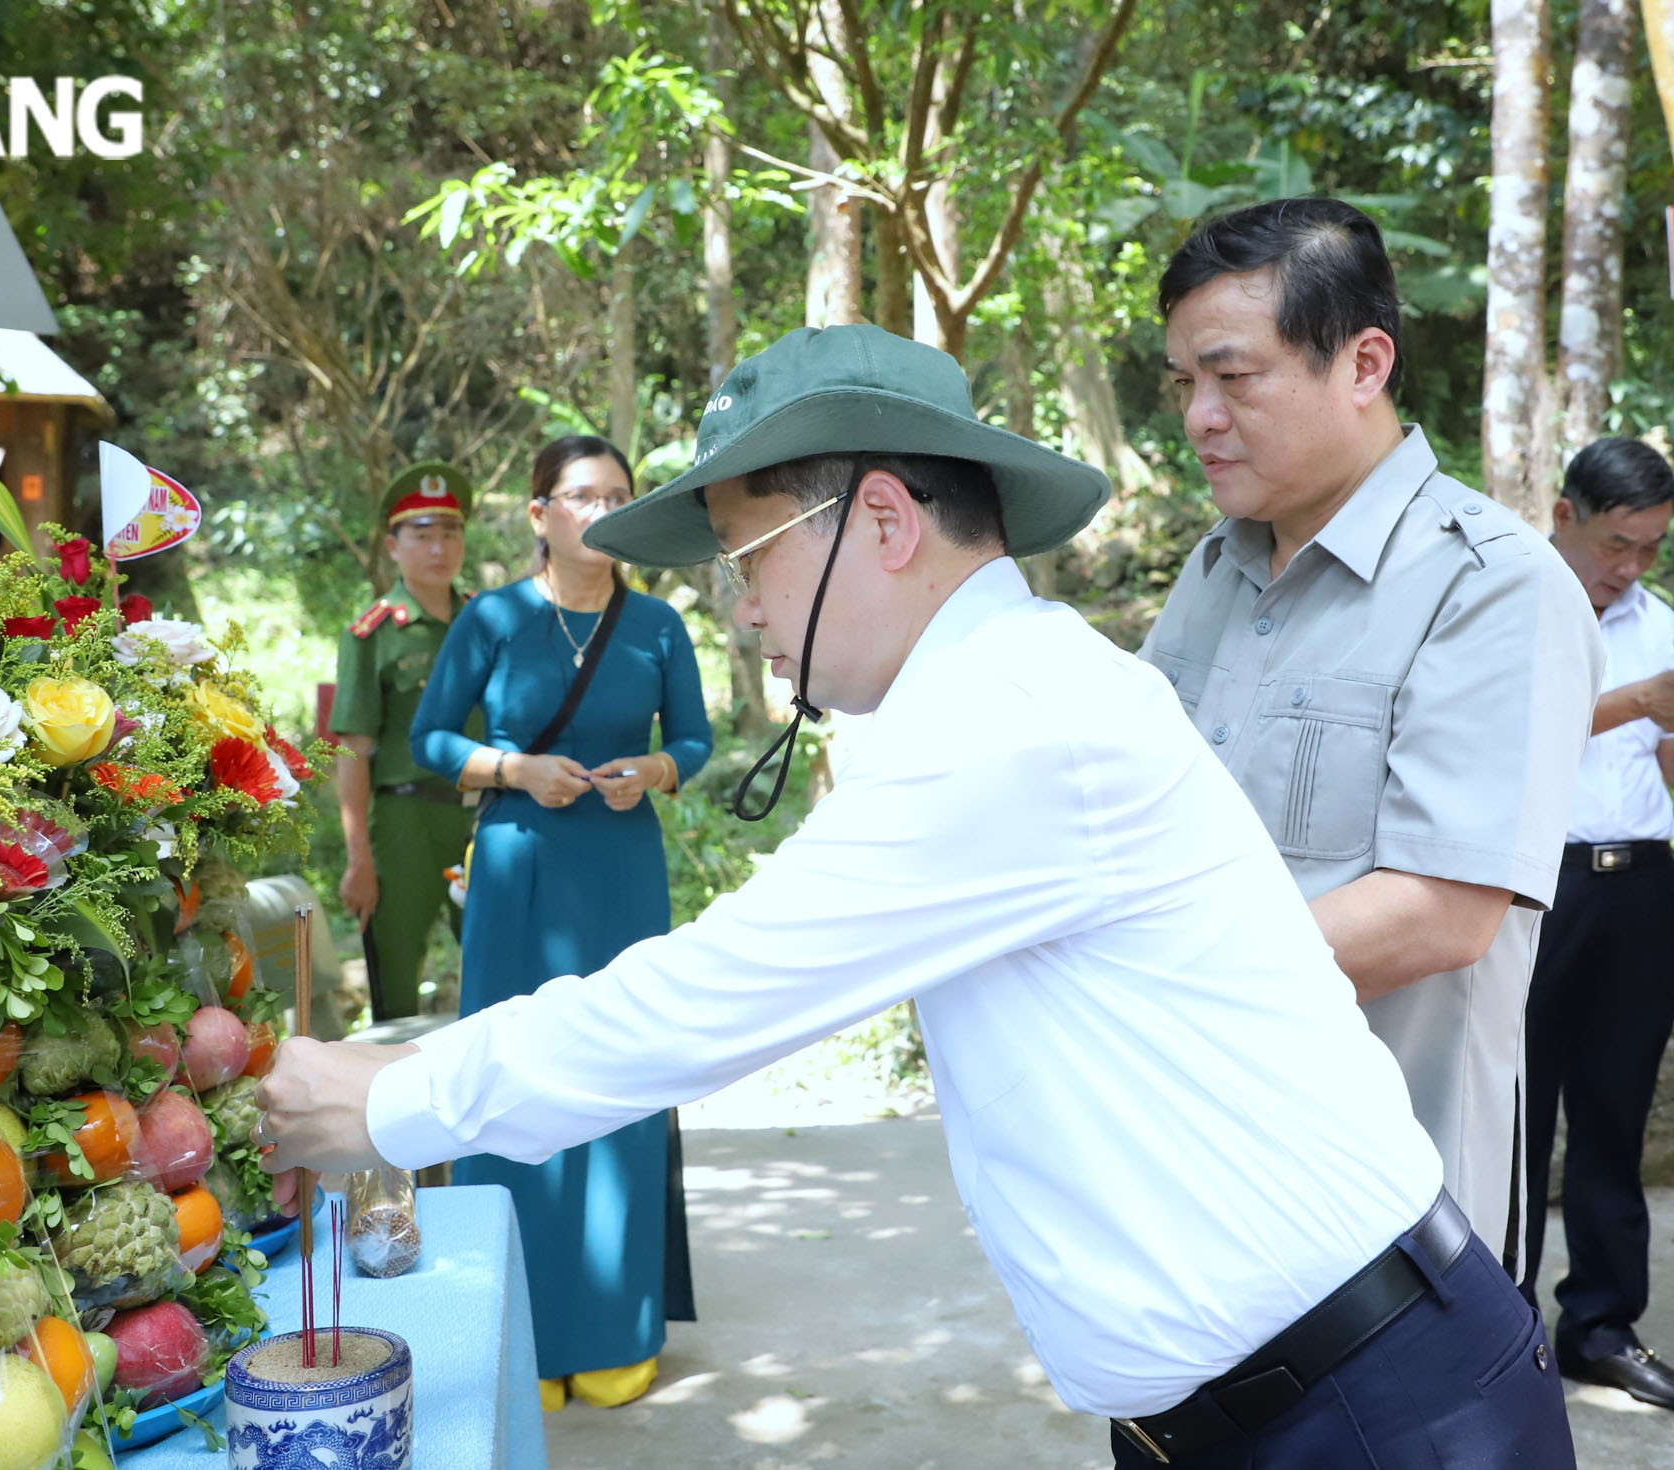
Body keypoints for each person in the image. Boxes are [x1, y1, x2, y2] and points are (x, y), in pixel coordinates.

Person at [254, 323, 1577, 1465]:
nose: (739, 613)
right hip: (1274, 1397)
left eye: (744, 557)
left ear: (881, 520)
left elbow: (710, 996)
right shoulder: (1000, 694)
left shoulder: (1009, 719)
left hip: (1364, 1410)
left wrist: (386, 1099)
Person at [1140, 198, 1603, 1273]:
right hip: (1188, 1179)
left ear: (1362, 363)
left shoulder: (1488, 586)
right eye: (1181, 384)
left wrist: (1142, 970)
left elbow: (1440, 912)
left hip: (1379, 1237)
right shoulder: (1212, 573)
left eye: (1232, 377)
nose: (1198, 416)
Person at [406, 434, 714, 1411]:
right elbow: (428, 738)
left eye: (618, 496)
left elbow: (695, 738)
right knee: (510, 1078)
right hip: (518, 864)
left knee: (620, 1071)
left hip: (619, 870)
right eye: (582, 496)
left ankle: (614, 1327)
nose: (603, 510)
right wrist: (511, 770)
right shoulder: (493, 618)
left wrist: (657, 771)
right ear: (538, 514)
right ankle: (515, 1332)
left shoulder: (659, 624)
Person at [1523, 436, 1674, 1408]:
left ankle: (1599, 1325)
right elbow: (1504, 726)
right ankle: (1494, 1322)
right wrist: (1631, 704)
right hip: (1533, 887)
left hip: (1642, 888)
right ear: (1562, 517)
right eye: (1615, 543)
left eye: (1648, 548)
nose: (1627, 568)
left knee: (1612, 1112)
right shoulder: (1512, 608)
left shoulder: (1660, 626)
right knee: (1511, 1113)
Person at [326, 462, 477, 1026]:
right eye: (422, 534)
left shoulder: (485, 620)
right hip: (404, 823)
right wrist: (358, 858)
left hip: (483, 817)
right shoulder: (372, 635)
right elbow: (354, 753)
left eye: (450, 532)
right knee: (395, 986)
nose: (439, 548)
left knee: (503, 973)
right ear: (393, 545)